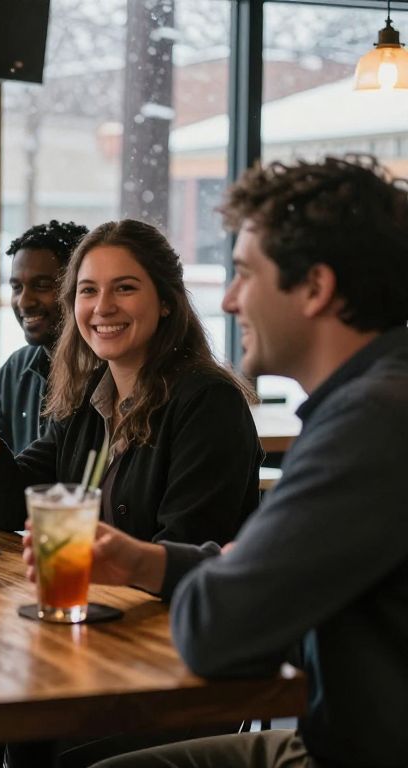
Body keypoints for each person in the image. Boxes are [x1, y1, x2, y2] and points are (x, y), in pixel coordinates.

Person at [77, 155, 408, 768]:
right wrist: (151, 560)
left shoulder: (371, 424)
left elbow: (215, 633)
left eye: (245, 275)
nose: (229, 301)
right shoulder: (379, 397)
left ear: (315, 287)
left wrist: (236, 572)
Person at [0, 220, 262, 767]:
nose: (103, 306)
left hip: (171, 671)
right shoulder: (89, 401)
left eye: (125, 287)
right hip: (89, 649)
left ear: (168, 301)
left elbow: (189, 553)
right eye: (88, 290)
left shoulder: (207, 403)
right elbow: (12, 505)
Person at [0, 220, 89, 453]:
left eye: (42, 286)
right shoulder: (16, 370)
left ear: (77, 287)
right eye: (16, 287)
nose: (24, 301)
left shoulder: (103, 372)